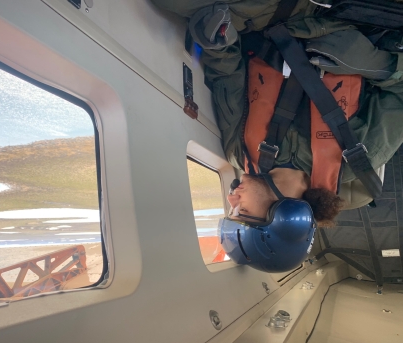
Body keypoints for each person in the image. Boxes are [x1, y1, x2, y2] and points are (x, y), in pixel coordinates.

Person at [151, 0, 403, 271]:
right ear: (283, 216)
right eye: (243, 211)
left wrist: (217, 42)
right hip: (348, 23)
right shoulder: (355, 159)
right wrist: (378, 65)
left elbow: (227, 75)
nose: (232, 198)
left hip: (276, 17)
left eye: (231, 208)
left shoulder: (240, 151)